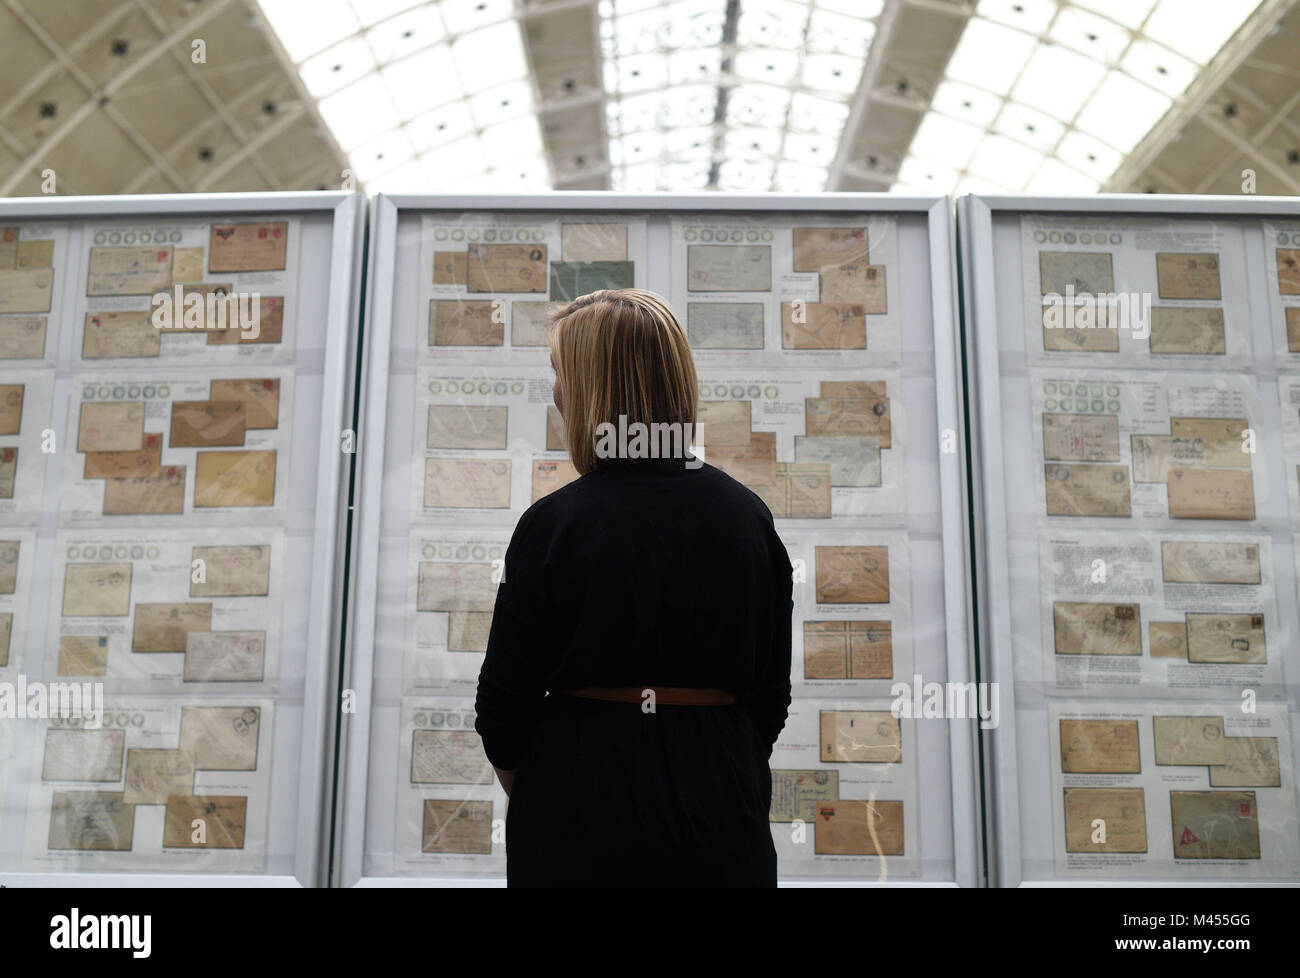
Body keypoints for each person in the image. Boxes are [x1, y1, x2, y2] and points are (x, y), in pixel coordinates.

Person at [474, 288, 793, 887]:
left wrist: (551, 787)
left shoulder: (552, 524)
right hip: (722, 812)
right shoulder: (747, 517)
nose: (555, 392)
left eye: (561, 375)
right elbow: (770, 699)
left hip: (575, 812)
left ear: (595, 389)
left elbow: (501, 711)